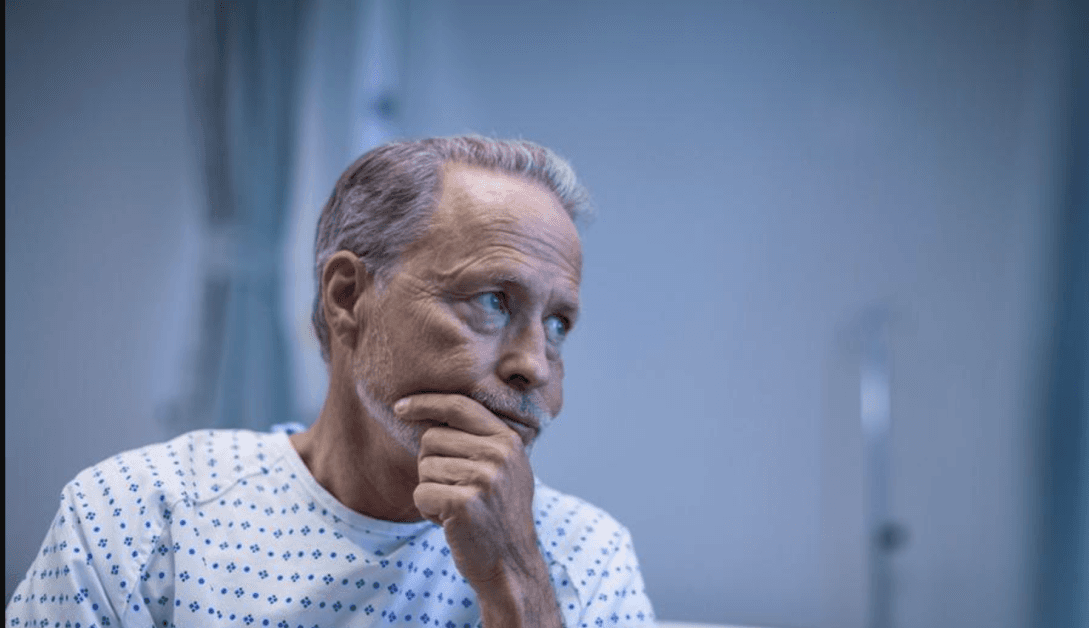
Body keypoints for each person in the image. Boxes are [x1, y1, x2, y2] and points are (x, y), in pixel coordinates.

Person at [6, 136, 656, 628]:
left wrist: (515, 584)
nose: (535, 365)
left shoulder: (586, 556)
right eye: (491, 300)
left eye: (559, 324)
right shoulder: (142, 518)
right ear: (348, 295)